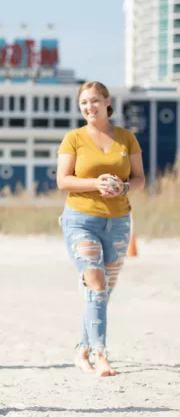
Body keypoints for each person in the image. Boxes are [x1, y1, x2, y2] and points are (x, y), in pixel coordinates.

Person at [56, 81, 145, 377]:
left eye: (94, 101)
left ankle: (81, 350)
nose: (89, 107)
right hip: (80, 219)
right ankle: (100, 355)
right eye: (84, 102)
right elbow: (63, 181)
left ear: (107, 102)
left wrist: (123, 187)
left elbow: (140, 179)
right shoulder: (73, 139)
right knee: (95, 283)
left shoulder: (126, 138)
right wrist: (96, 183)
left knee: (102, 291)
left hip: (119, 221)